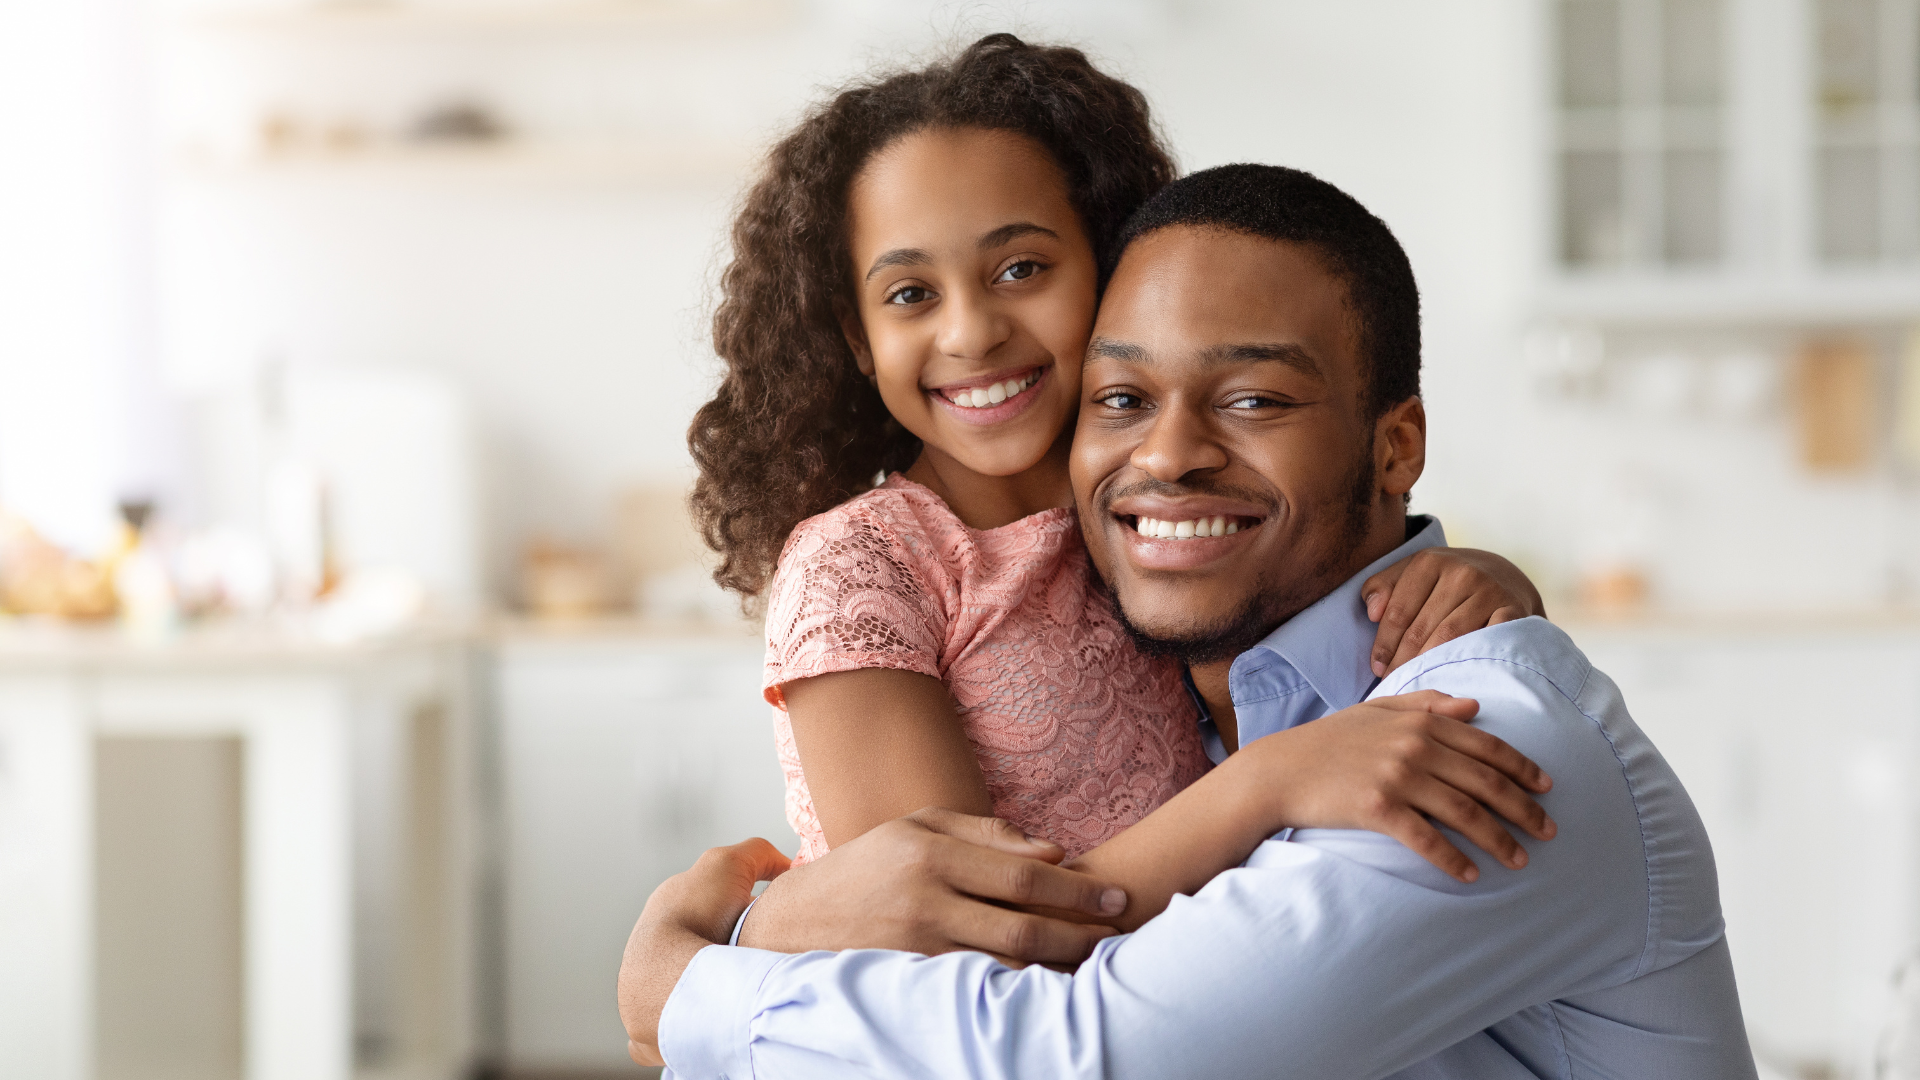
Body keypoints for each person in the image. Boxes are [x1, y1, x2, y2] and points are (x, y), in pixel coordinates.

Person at [620, 164, 1757, 1078]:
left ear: (1395, 446)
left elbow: (1077, 1051)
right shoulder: (1223, 707)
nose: (1166, 456)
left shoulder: (1466, 743)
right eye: (1120, 400)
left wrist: (690, 984)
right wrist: (775, 922)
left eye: (1254, 398)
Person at [687, 33, 1555, 930]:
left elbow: (1319, 622)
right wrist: (1275, 782)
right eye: (911, 294)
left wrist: (1475, 579)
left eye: (1020, 269)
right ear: (858, 338)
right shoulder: (860, 569)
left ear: (1110, 271)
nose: (973, 331)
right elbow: (956, 937)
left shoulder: (1150, 518)